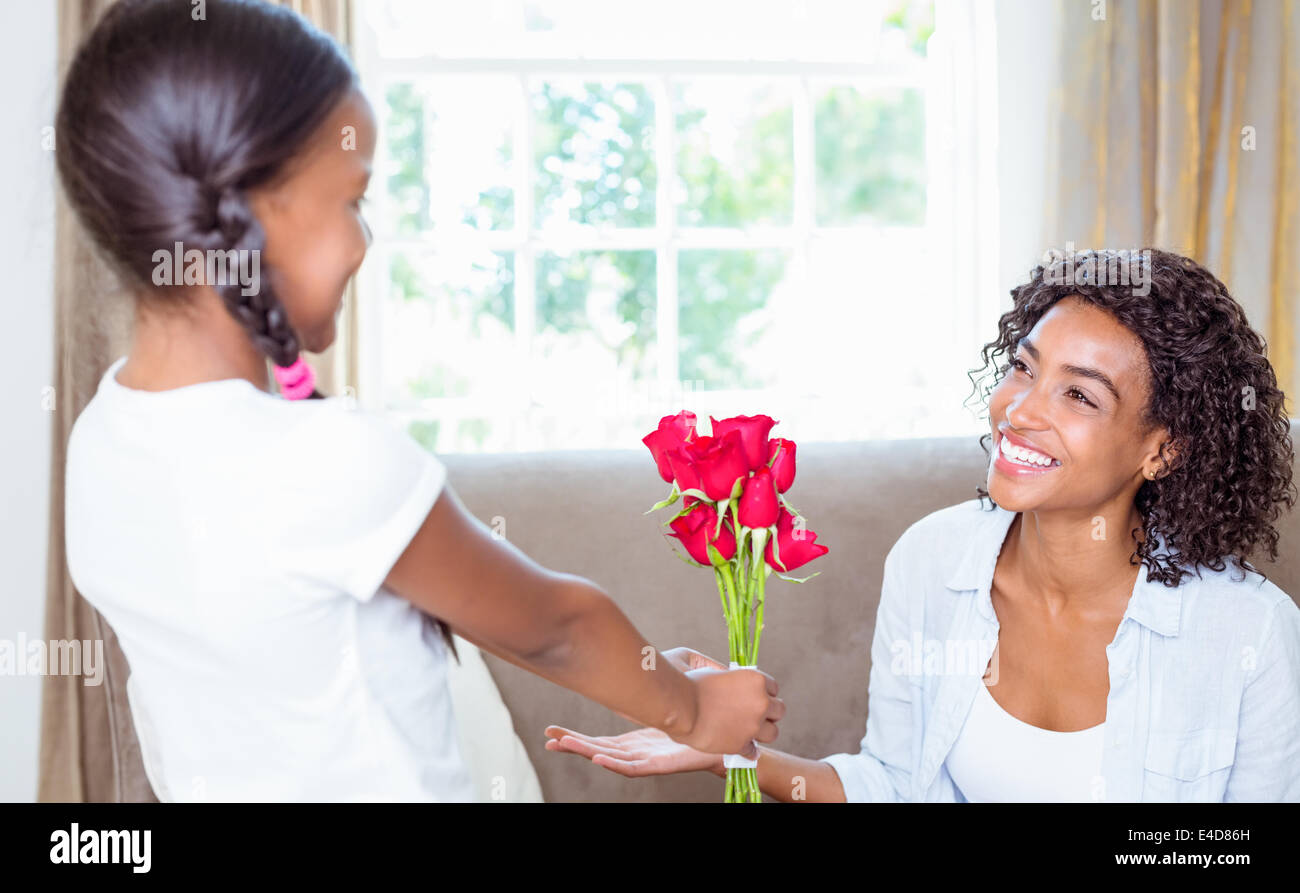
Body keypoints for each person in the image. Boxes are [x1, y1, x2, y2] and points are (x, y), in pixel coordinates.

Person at [57, 0, 783, 802]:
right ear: (252, 207)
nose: (365, 241)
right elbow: (555, 626)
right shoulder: (325, 459)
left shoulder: (101, 440)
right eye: (352, 200)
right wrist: (694, 707)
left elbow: (458, 606)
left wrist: (653, 668)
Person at [547, 249, 1300, 802]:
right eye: (1025, 367)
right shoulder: (932, 559)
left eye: (1080, 397)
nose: (1022, 410)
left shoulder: (1249, 632)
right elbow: (895, 784)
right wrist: (728, 753)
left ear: (1161, 449)